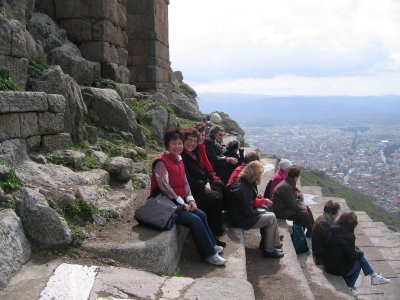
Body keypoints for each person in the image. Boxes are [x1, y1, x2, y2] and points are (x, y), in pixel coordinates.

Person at [150, 129, 227, 266]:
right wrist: (181, 203)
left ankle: (212, 245)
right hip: (166, 206)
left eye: (180, 143)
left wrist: (190, 199)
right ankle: (209, 254)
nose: (178, 146)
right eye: (174, 143)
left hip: (178, 203)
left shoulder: (178, 159)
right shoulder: (161, 162)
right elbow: (164, 187)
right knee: (194, 219)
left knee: (201, 214)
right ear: (167, 145)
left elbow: (185, 183)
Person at [324, 212, 390, 297]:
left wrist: (357, 251)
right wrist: (360, 254)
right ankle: (350, 287)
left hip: (327, 264)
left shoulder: (332, 228)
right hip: (335, 269)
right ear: (352, 225)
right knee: (359, 264)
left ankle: (373, 275)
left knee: (358, 252)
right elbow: (351, 257)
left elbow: (344, 248)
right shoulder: (349, 236)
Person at [229, 161, 284, 258]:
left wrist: (257, 199)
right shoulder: (243, 189)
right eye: (259, 174)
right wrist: (260, 211)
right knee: (271, 218)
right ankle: (269, 250)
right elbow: (248, 212)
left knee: (267, 211)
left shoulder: (243, 181)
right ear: (255, 174)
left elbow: (248, 202)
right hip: (240, 219)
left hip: (238, 215)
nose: (260, 177)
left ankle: (268, 243)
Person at [180, 128, 226, 245]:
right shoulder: (183, 157)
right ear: (183, 141)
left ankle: (214, 232)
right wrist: (203, 183)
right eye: (189, 140)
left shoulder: (192, 154)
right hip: (191, 191)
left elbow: (202, 172)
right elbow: (188, 181)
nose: (192, 143)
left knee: (218, 193)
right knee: (214, 198)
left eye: (195, 141)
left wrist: (206, 182)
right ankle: (212, 235)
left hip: (199, 186)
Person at [272, 166, 315, 237]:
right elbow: (293, 205)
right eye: (297, 177)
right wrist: (301, 206)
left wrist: (301, 205)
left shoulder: (288, 183)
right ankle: (299, 234)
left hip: (284, 207)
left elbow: (297, 192)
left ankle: (311, 231)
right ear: (295, 177)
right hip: (281, 211)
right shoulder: (286, 187)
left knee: (306, 208)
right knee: (304, 214)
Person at [311, 200, 340, 265]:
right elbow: (330, 242)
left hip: (317, 249)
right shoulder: (325, 224)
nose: (338, 214)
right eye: (337, 213)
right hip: (320, 254)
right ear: (332, 213)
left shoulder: (322, 218)